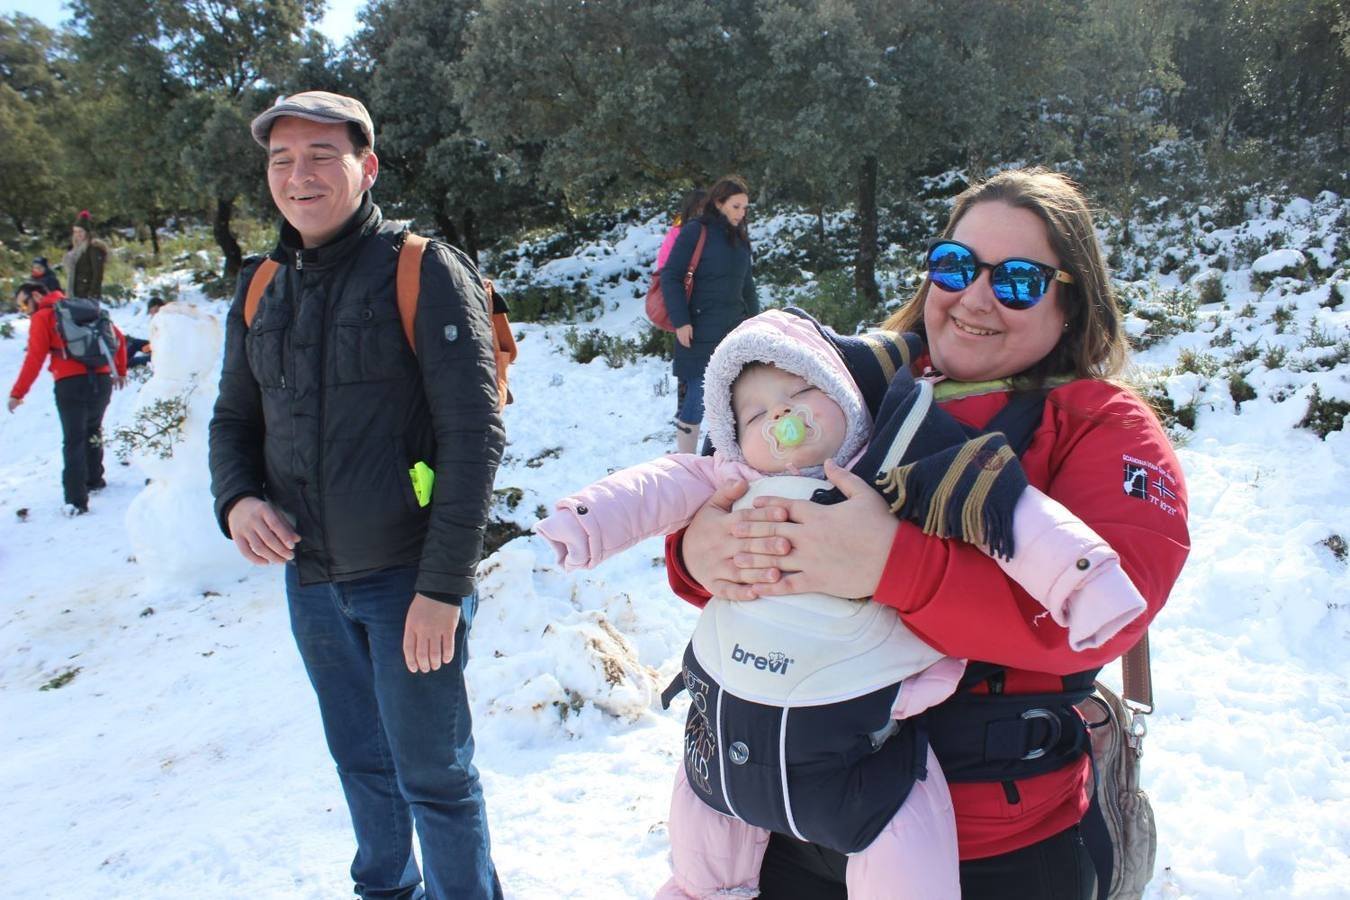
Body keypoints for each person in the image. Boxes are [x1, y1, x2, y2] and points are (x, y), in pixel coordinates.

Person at [664, 168, 1191, 900]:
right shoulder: (854, 383)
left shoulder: (1103, 424)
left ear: (1072, 301)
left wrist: (891, 564)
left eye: (1017, 281)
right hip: (787, 815)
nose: (975, 297)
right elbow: (729, 480)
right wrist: (697, 553)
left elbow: (1104, 617)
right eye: (955, 265)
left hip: (990, 853)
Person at [537, 307, 1147, 899]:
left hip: (940, 783)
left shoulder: (901, 456)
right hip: (739, 731)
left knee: (896, 827)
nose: (779, 412)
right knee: (704, 807)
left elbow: (1008, 511)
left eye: (801, 389)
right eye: (753, 412)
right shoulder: (741, 469)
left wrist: (1084, 579)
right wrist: (646, 539)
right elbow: (651, 490)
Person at [207, 91, 506, 900]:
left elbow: (473, 437)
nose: (298, 175)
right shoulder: (261, 285)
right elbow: (233, 420)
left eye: (319, 156)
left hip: (408, 581)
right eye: (281, 160)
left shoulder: (422, 268)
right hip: (312, 583)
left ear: (365, 168)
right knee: (360, 765)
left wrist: (443, 589)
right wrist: (236, 500)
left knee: (435, 776)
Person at [8, 280, 127, 515]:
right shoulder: (85, 308)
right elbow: (119, 338)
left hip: (70, 383)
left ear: (36, 295)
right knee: (93, 429)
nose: (25, 310)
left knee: (73, 439)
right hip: (102, 382)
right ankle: (94, 479)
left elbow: (35, 358)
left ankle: (76, 500)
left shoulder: (44, 317)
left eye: (24, 304)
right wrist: (120, 370)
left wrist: (18, 393)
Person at [661, 176, 758, 454]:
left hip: (733, 329)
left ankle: (718, 455)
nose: (742, 213)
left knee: (732, 397)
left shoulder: (740, 238)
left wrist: (757, 322)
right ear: (719, 203)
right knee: (698, 396)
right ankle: (685, 460)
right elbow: (671, 276)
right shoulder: (695, 231)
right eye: (736, 206)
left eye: (745, 208)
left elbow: (747, 287)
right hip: (699, 328)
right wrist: (681, 321)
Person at [62, 210, 109, 298]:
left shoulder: (94, 248)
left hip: (87, 295)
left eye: (80, 231)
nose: (77, 234)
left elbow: (98, 274)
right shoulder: (74, 250)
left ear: (87, 232)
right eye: (75, 231)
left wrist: (92, 294)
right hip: (75, 294)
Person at [125, 296, 166, 369]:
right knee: (135, 343)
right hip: (156, 347)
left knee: (134, 361)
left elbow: (166, 342)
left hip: (163, 355)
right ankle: (121, 362)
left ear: (157, 307)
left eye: (151, 310)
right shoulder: (157, 318)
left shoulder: (165, 320)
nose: (150, 312)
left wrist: (151, 347)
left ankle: (122, 367)